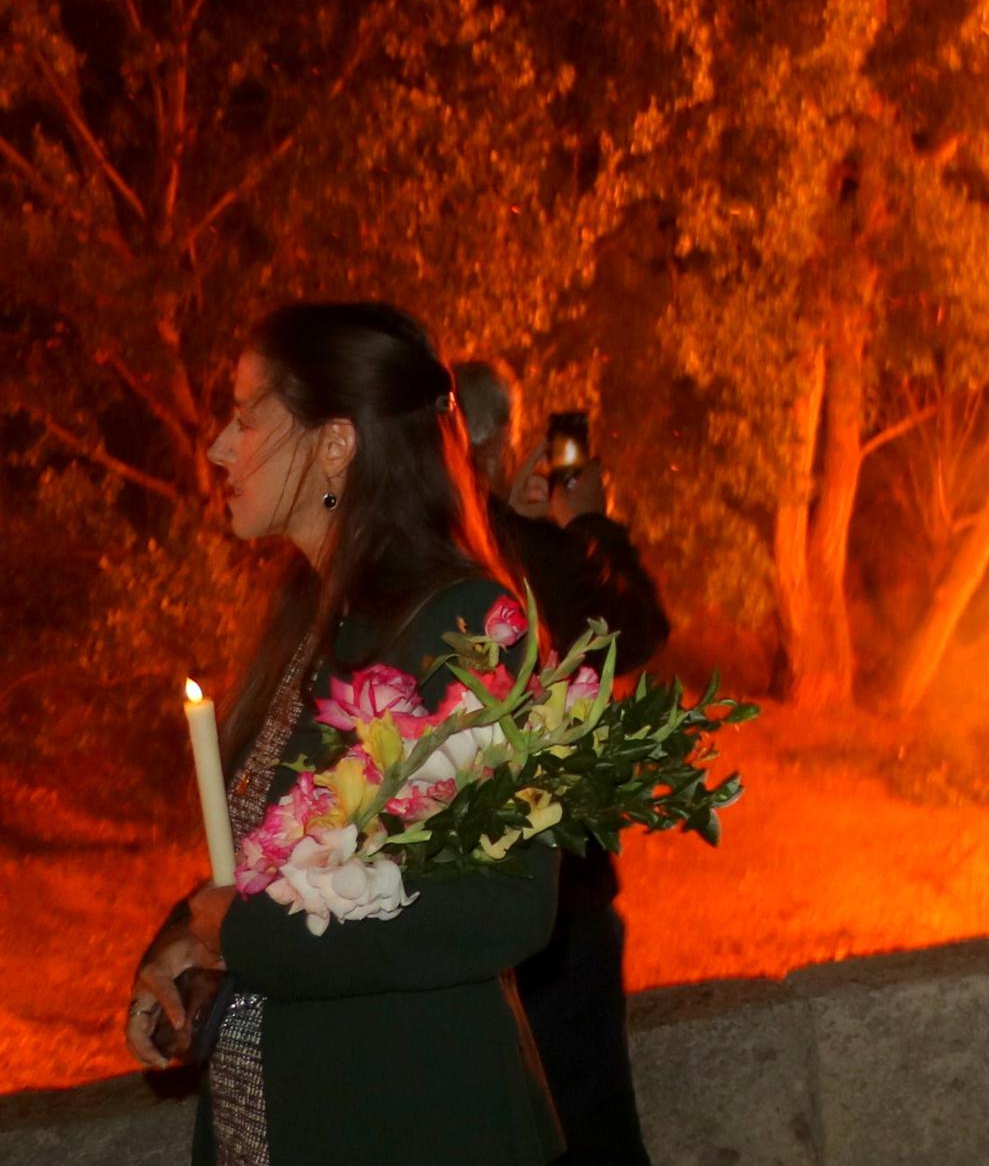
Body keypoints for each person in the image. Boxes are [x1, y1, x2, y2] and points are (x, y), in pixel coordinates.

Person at [123, 302, 562, 1166]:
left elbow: (505, 904)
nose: (219, 445)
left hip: (411, 1119)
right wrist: (183, 938)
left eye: (247, 416)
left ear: (335, 443)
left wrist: (241, 936)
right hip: (287, 1118)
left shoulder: (470, 624)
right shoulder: (310, 619)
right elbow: (267, 856)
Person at [452, 360, 673, 1166]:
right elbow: (635, 629)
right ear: (488, 442)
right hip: (552, 902)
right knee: (592, 1133)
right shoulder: (519, 545)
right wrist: (588, 523)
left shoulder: (409, 539)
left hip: (450, 911)